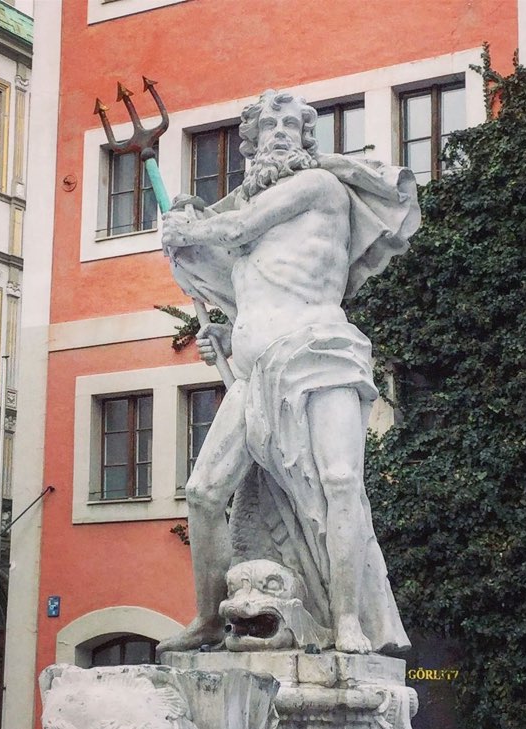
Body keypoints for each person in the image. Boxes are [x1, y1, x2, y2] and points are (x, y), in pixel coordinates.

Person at [159, 90, 419, 655]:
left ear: (306, 139)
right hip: (255, 373)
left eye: (292, 124)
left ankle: (348, 620)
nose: (280, 131)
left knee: (341, 484)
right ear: (250, 144)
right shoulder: (252, 230)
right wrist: (222, 337)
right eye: (268, 124)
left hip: (319, 353)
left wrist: (187, 229)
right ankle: (209, 618)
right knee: (204, 493)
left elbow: (233, 229)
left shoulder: (318, 187)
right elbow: (251, 295)